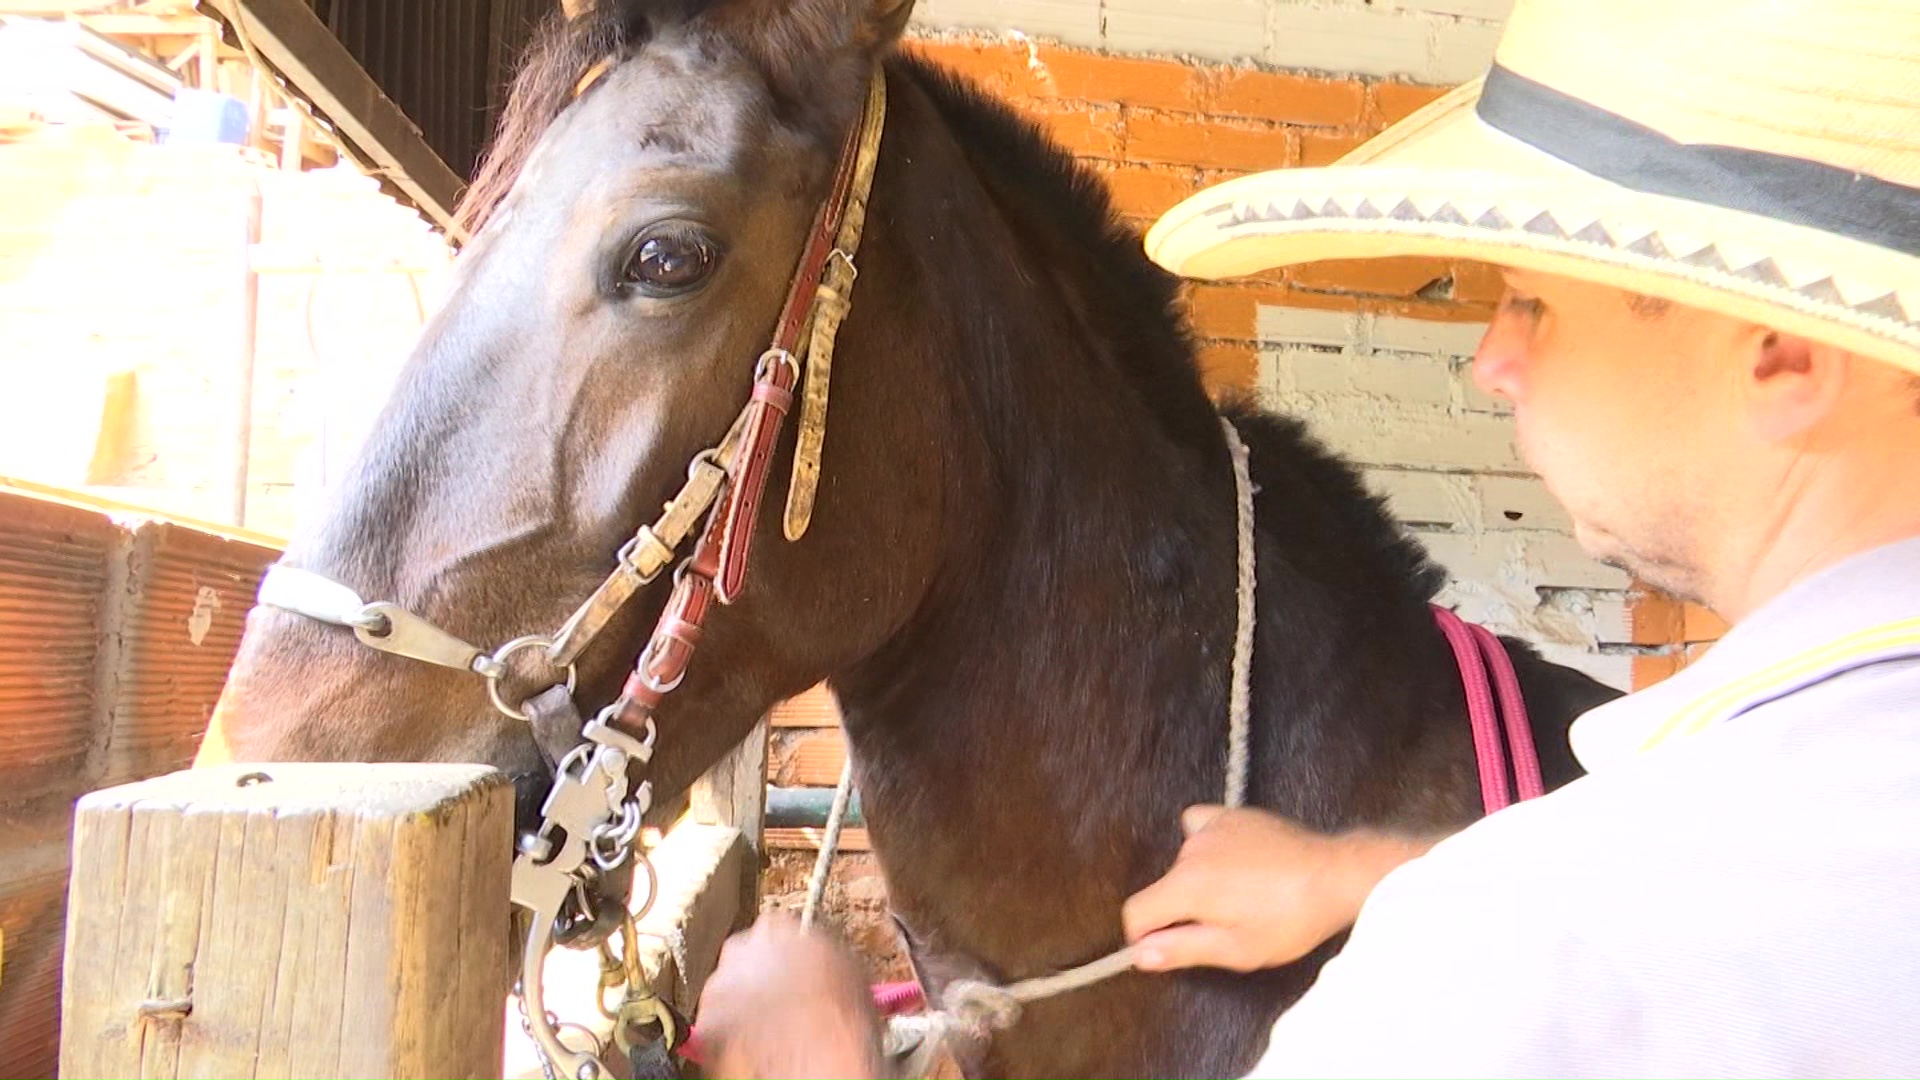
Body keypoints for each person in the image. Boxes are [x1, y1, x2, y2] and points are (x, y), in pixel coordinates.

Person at [694, 0, 1920, 1075]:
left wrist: (813, 1058)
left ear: (1785, 357)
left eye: (1535, 299)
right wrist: (1362, 871)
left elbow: (1625, 931)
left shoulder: (1503, 972)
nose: (1494, 358)